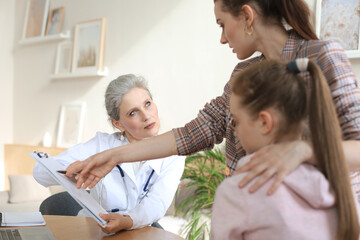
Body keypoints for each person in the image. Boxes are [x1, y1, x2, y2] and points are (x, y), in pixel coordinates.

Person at [66, 0, 360, 199]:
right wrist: (114, 156)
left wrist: (302, 151)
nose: (222, 38)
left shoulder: (321, 56)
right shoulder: (244, 73)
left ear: (246, 16)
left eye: (221, 24)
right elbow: (197, 132)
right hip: (254, 212)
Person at [211, 58, 360, 240]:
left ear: (264, 122)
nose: (235, 130)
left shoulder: (238, 190)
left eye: (237, 121)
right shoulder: (340, 186)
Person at [33, 74, 185, 234]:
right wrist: (74, 171)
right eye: (133, 113)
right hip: (93, 231)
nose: (146, 116)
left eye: (147, 104)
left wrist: (127, 220)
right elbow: (40, 172)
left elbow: (156, 204)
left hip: (139, 231)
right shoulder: (102, 145)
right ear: (118, 123)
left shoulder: (174, 154)